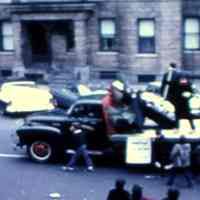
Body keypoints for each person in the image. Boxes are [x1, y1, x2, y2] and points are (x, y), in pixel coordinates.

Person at [161, 63, 195, 129]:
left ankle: (180, 127)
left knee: (180, 113)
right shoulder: (177, 75)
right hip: (181, 98)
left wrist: (165, 96)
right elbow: (187, 85)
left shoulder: (169, 75)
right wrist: (190, 93)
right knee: (183, 113)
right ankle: (189, 127)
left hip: (177, 98)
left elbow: (165, 86)